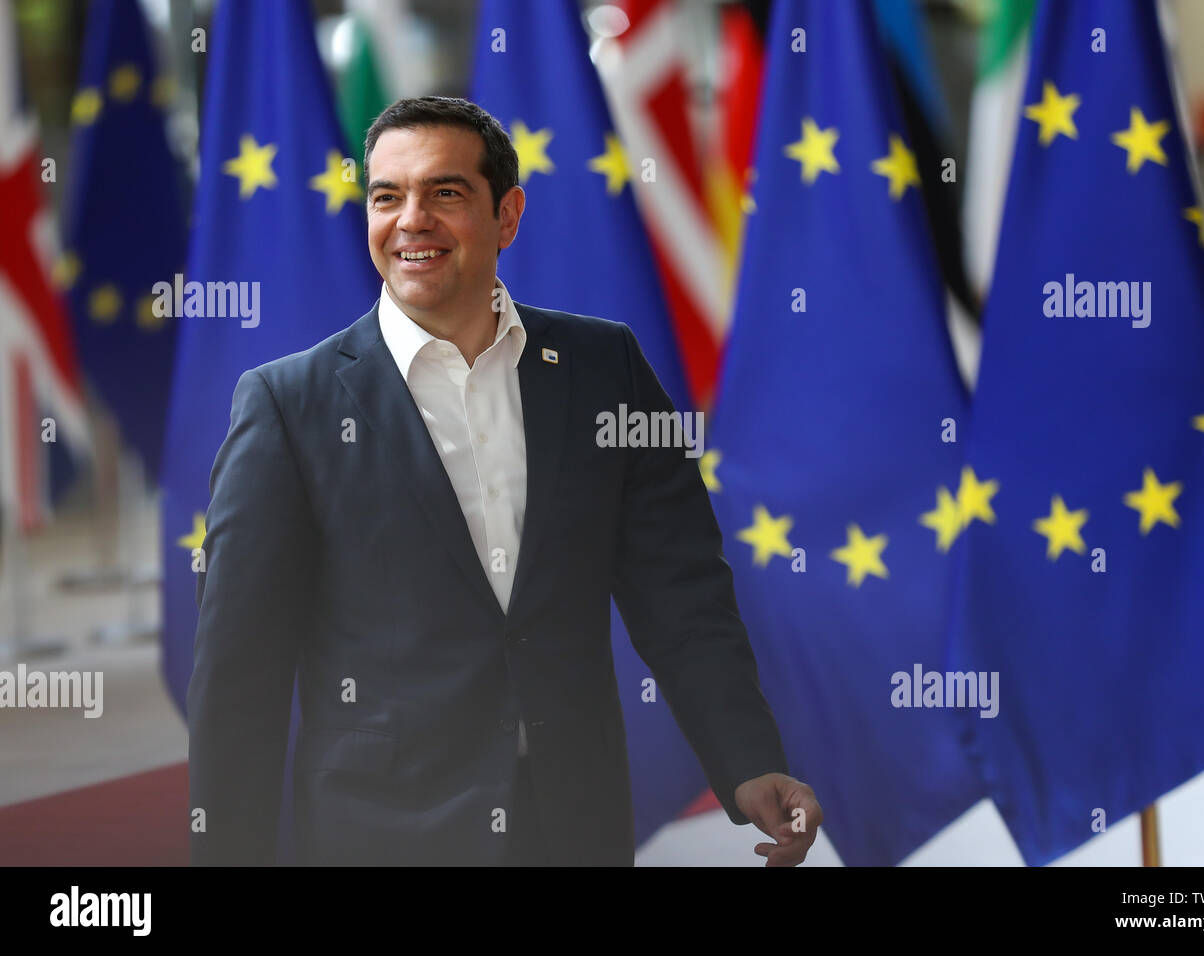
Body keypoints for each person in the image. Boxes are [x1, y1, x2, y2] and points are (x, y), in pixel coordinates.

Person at [187, 95, 821, 866]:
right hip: (380, 835)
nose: (411, 219)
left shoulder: (604, 369)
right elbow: (237, 671)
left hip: (574, 825)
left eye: (445, 193)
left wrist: (748, 760)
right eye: (387, 196)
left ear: (508, 215)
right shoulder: (288, 405)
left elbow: (681, 592)